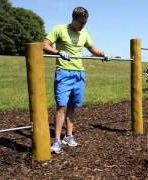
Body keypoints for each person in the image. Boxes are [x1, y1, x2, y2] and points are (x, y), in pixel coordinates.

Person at [43, 6, 110, 153]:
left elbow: (92, 48)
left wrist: (103, 54)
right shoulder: (59, 29)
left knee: (73, 106)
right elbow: (45, 45)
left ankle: (68, 135)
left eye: (85, 23)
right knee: (61, 106)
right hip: (64, 72)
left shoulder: (84, 32)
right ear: (73, 19)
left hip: (79, 73)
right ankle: (56, 140)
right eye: (81, 23)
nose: (83, 26)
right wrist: (58, 52)